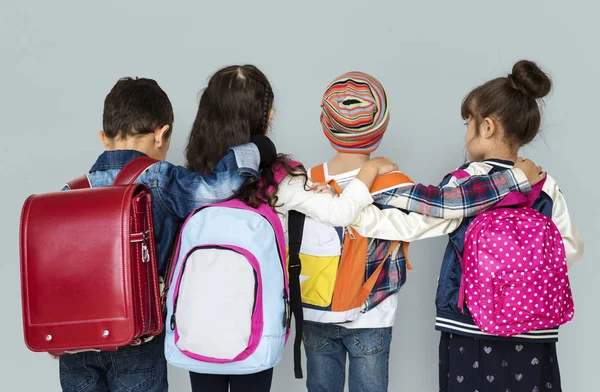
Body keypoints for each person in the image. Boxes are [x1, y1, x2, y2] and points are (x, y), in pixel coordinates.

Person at [181, 65, 544, 392]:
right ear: (382, 128)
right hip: (372, 314)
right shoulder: (389, 182)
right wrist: (512, 180)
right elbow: (448, 211)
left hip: (315, 311)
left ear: (325, 124)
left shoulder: (304, 181)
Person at [58, 77, 277, 392]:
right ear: (162, 134)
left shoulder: (71, 191)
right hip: (137, 338)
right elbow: (220, 186)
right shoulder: (159, 179)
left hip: (77, 344)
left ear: (104, 138)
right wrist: (254, 149)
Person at [432, 60, 583, 392]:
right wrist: (522, 279)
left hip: (469, 323)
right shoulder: (545, 184)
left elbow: (430, 222)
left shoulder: (465, 182)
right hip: (533, 322)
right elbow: (570, 248)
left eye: (467, 121)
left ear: (486, 127)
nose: (466, 131)